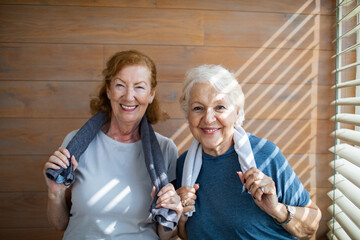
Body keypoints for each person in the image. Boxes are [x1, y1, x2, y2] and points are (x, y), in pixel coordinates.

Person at [43, 50, 183, 239]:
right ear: (108, 90)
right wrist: (54, 193)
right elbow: (59, 224)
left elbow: (165, 235)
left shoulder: (165, 149)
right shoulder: (74, 145)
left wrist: (174, 211)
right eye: (120, 85)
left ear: (151, 94)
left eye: (139, 87)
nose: (128, 96)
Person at [175, 64, 322, 239]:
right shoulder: (185, 165)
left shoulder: (266, 154)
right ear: (188, 115)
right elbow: (190, 235)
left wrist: (276, 209)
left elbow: (312, 225)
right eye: (198, 108)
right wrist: (181, 218)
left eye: (220, 107)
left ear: (236, 114)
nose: (208, 118)